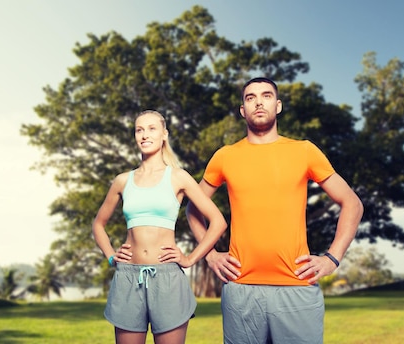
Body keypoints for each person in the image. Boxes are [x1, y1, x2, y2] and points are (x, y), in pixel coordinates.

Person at [186, 77, 364, 344]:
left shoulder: (304, 151)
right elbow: (193, 208)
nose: (259, 102)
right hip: (241, 290)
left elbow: (352, 203)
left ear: (278, 106)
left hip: (297, 290)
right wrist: (209, 256)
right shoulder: (225, 156)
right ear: (242, 110)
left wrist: (332, 258)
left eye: (266, 96)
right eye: (250, 97)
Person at [92, 110, 227, 344]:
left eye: (152, 129)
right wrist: (112, 257)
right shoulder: (123, 180)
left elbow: (218, 222)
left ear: (164, 134)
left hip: (167, 278)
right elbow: (98, 224)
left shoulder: (179, 177)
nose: (145, 135)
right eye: (139, 130)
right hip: (128, 277)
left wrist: (191, 258)